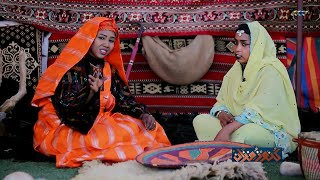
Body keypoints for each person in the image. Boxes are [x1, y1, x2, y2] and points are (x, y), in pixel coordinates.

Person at [31, 17, 171, 167]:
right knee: (97, 139)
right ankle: (113, 152)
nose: (106, 44)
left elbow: (124, 99)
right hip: (70, 124)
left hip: (100, 120)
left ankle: (115, 151)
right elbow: (67, 110)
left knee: (146, 128)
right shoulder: (72, 68)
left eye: (111, 40)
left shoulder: (109, 69)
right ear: (90, 38)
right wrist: (91, 93)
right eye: (102, 38)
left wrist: (142, 114)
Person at [193, 21, 300, 158]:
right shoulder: (235, 71)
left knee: (247, 135)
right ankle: (232, 148)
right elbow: (221, 102)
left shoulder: (271, 70)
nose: (237, 49)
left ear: (257, 45)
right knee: (200, 120)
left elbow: (259, 111)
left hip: (266, 129)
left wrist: (227, 129)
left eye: (244, 44)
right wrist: (221, 114)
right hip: (237, 125)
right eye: (236, 43)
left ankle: (223, 147)